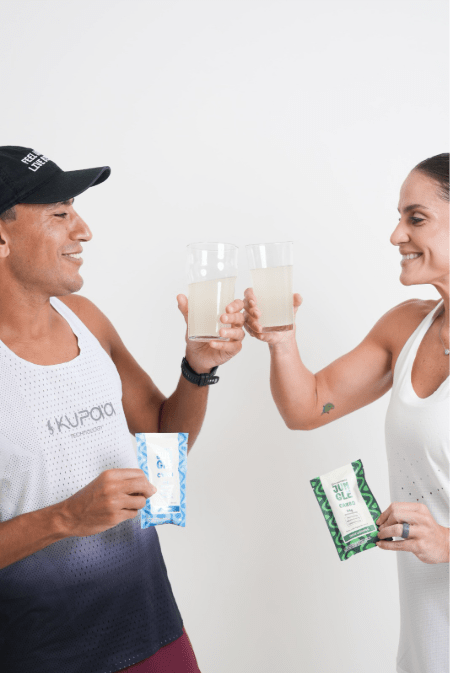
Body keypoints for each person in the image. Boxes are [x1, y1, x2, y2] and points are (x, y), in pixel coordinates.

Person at [0, 146, 245, 673]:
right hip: (42, 655)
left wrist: (197, 368)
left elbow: (163, 439)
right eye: (60, 213)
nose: (83, 230)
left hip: (155, 632)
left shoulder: (86, 319)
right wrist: (66, 517)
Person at [243, 153, 450, 673]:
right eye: (399, 218)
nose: (396, 235)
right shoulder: (407, 327)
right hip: (429, 635)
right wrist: (282, 341)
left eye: (416, 218)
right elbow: (307, 407)